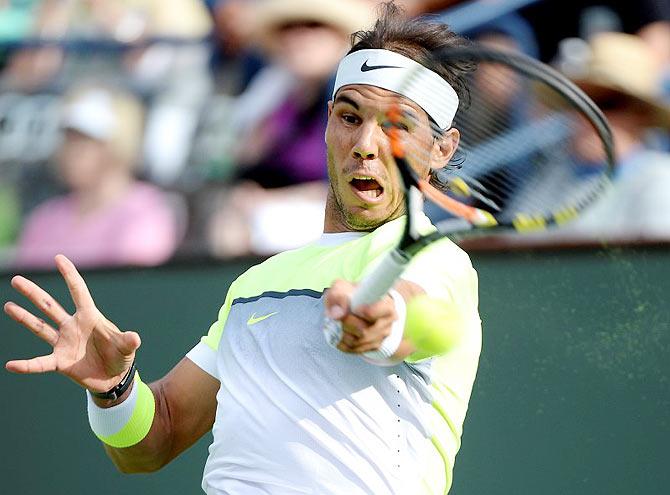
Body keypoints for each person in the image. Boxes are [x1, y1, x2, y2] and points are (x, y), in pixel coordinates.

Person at [4, 3, 482, 494]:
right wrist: (115, 389)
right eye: (349, 116)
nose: (365, 143)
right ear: (328, 124)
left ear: (442, 149)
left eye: (396, 125)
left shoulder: (437, 261)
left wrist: (380, 321)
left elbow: (422, 318)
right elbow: (156, 439)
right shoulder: (256, 284)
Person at [14, 86, 182, 269]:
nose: (72, 150)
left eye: (86, 140)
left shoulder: (146, 212)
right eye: (69, 139)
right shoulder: (44, 219)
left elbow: (133, 286)